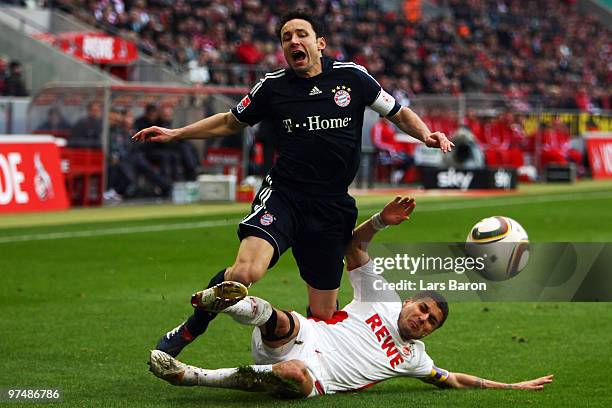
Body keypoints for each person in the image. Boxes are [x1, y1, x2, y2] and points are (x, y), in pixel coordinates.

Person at [133, 10, 454, 358]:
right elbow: (230, 121)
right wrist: (177, 132)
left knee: (324, 315)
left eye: (300, 34)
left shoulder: (353, 78)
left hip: (332, 207)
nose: (293, 42)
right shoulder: (273, 87)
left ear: (320, 43)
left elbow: (398, 112)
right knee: (245, 272)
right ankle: (193, 327)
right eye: (286, 38)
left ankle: (301, 365)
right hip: (284, 196)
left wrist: (425, 134)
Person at [149, 197, 553, 398]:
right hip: (304, 336)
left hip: (312, 378)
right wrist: (380, 221)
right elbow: (354, 248)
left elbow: (454, 380)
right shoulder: (383, 297)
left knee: (295, 375)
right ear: (410, 301)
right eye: (424, 309)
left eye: (431, 322)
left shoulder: (415, 359)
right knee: (278, 317)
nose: (423, 320)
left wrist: (512, 387)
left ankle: (189, 376)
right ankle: (224, 301)